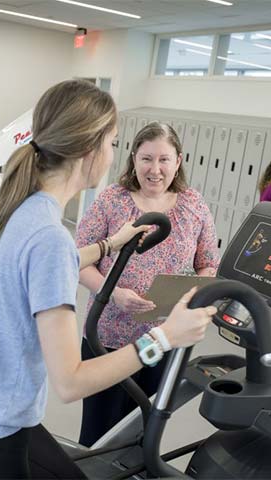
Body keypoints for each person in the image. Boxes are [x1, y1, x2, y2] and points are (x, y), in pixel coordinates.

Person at [0, 80, 218, 478]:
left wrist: (108, 245)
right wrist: (166, 338)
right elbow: (70, 381)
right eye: (114, 142)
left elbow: (46, 261)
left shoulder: (25, 209)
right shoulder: (49, 236)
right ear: (91, 150)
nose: (114, 154)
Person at [75, 122, 220, 446]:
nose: (155, 169)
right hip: (109, 337)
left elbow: (209, 263)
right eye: (146, 159)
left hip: (164, 340)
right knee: (99, 434)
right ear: (133, 159)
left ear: (178, 161)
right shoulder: (113, 200)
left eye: (164, 159)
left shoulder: (193, 205)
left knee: (142, 433)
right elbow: (78, 260)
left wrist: (193, 290)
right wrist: (112, 293)